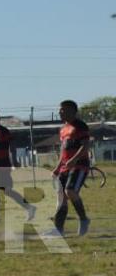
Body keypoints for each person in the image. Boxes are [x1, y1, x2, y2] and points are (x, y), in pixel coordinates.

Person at [0, 111, 34, 223]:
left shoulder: (3, 131)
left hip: (3, 163)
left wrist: (14, 159)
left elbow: (12, 146)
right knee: (6, 190)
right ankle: (29, 207)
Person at [52, 100, 91, 236]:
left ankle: (84, 219)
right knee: (61, 196)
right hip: (65, 166)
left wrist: (74, 160)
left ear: (73, 111)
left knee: (70, 190)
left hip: (80, 164)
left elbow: (85, 145)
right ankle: (58, 230)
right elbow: (63, 151)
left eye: (63, 110)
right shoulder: (63, 129)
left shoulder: (81, 126)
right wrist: (57, 167)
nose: (60, 112)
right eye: (60, 110)